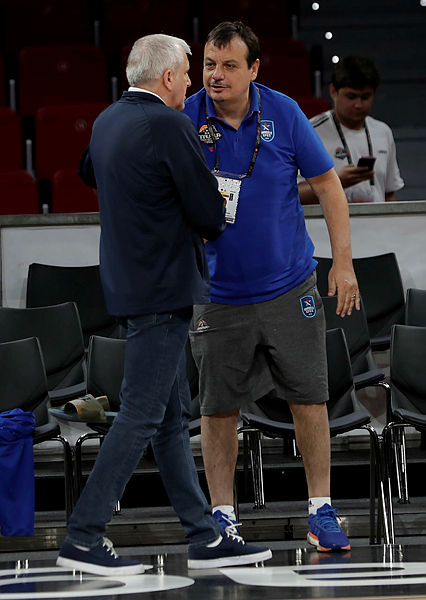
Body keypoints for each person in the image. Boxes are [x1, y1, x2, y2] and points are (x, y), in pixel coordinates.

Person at [56, 33, 272, 576]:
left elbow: (88, 173)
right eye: (187, 74)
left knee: (171, 419)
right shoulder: (169, 124)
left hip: (130, 283)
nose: (192, 84)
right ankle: (84, 535)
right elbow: (208, 214)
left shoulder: (107, 121)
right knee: (141, 414)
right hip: (164, 288)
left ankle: (203, 535)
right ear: (169, 77)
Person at [183, 21, 360, 553]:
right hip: (216, 294)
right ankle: (222, 517)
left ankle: (321, 511)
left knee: (309, 397)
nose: (216, 75)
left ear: (254, 69)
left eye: (229, 65)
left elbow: (328, 185)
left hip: (289, 286)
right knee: (217, 408)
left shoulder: (283, 112)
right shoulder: (185, 118)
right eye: (209, 65)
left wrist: (343, 264)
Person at [299, 55, 404, 204]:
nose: (358, 104)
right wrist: (336, 182)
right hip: (329, 219)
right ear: (333, 91)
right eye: (351, 96)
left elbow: (389, 194)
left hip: (376, 219)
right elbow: (294, 193)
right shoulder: (311, 131)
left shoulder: (383, 131)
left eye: (365, 97)